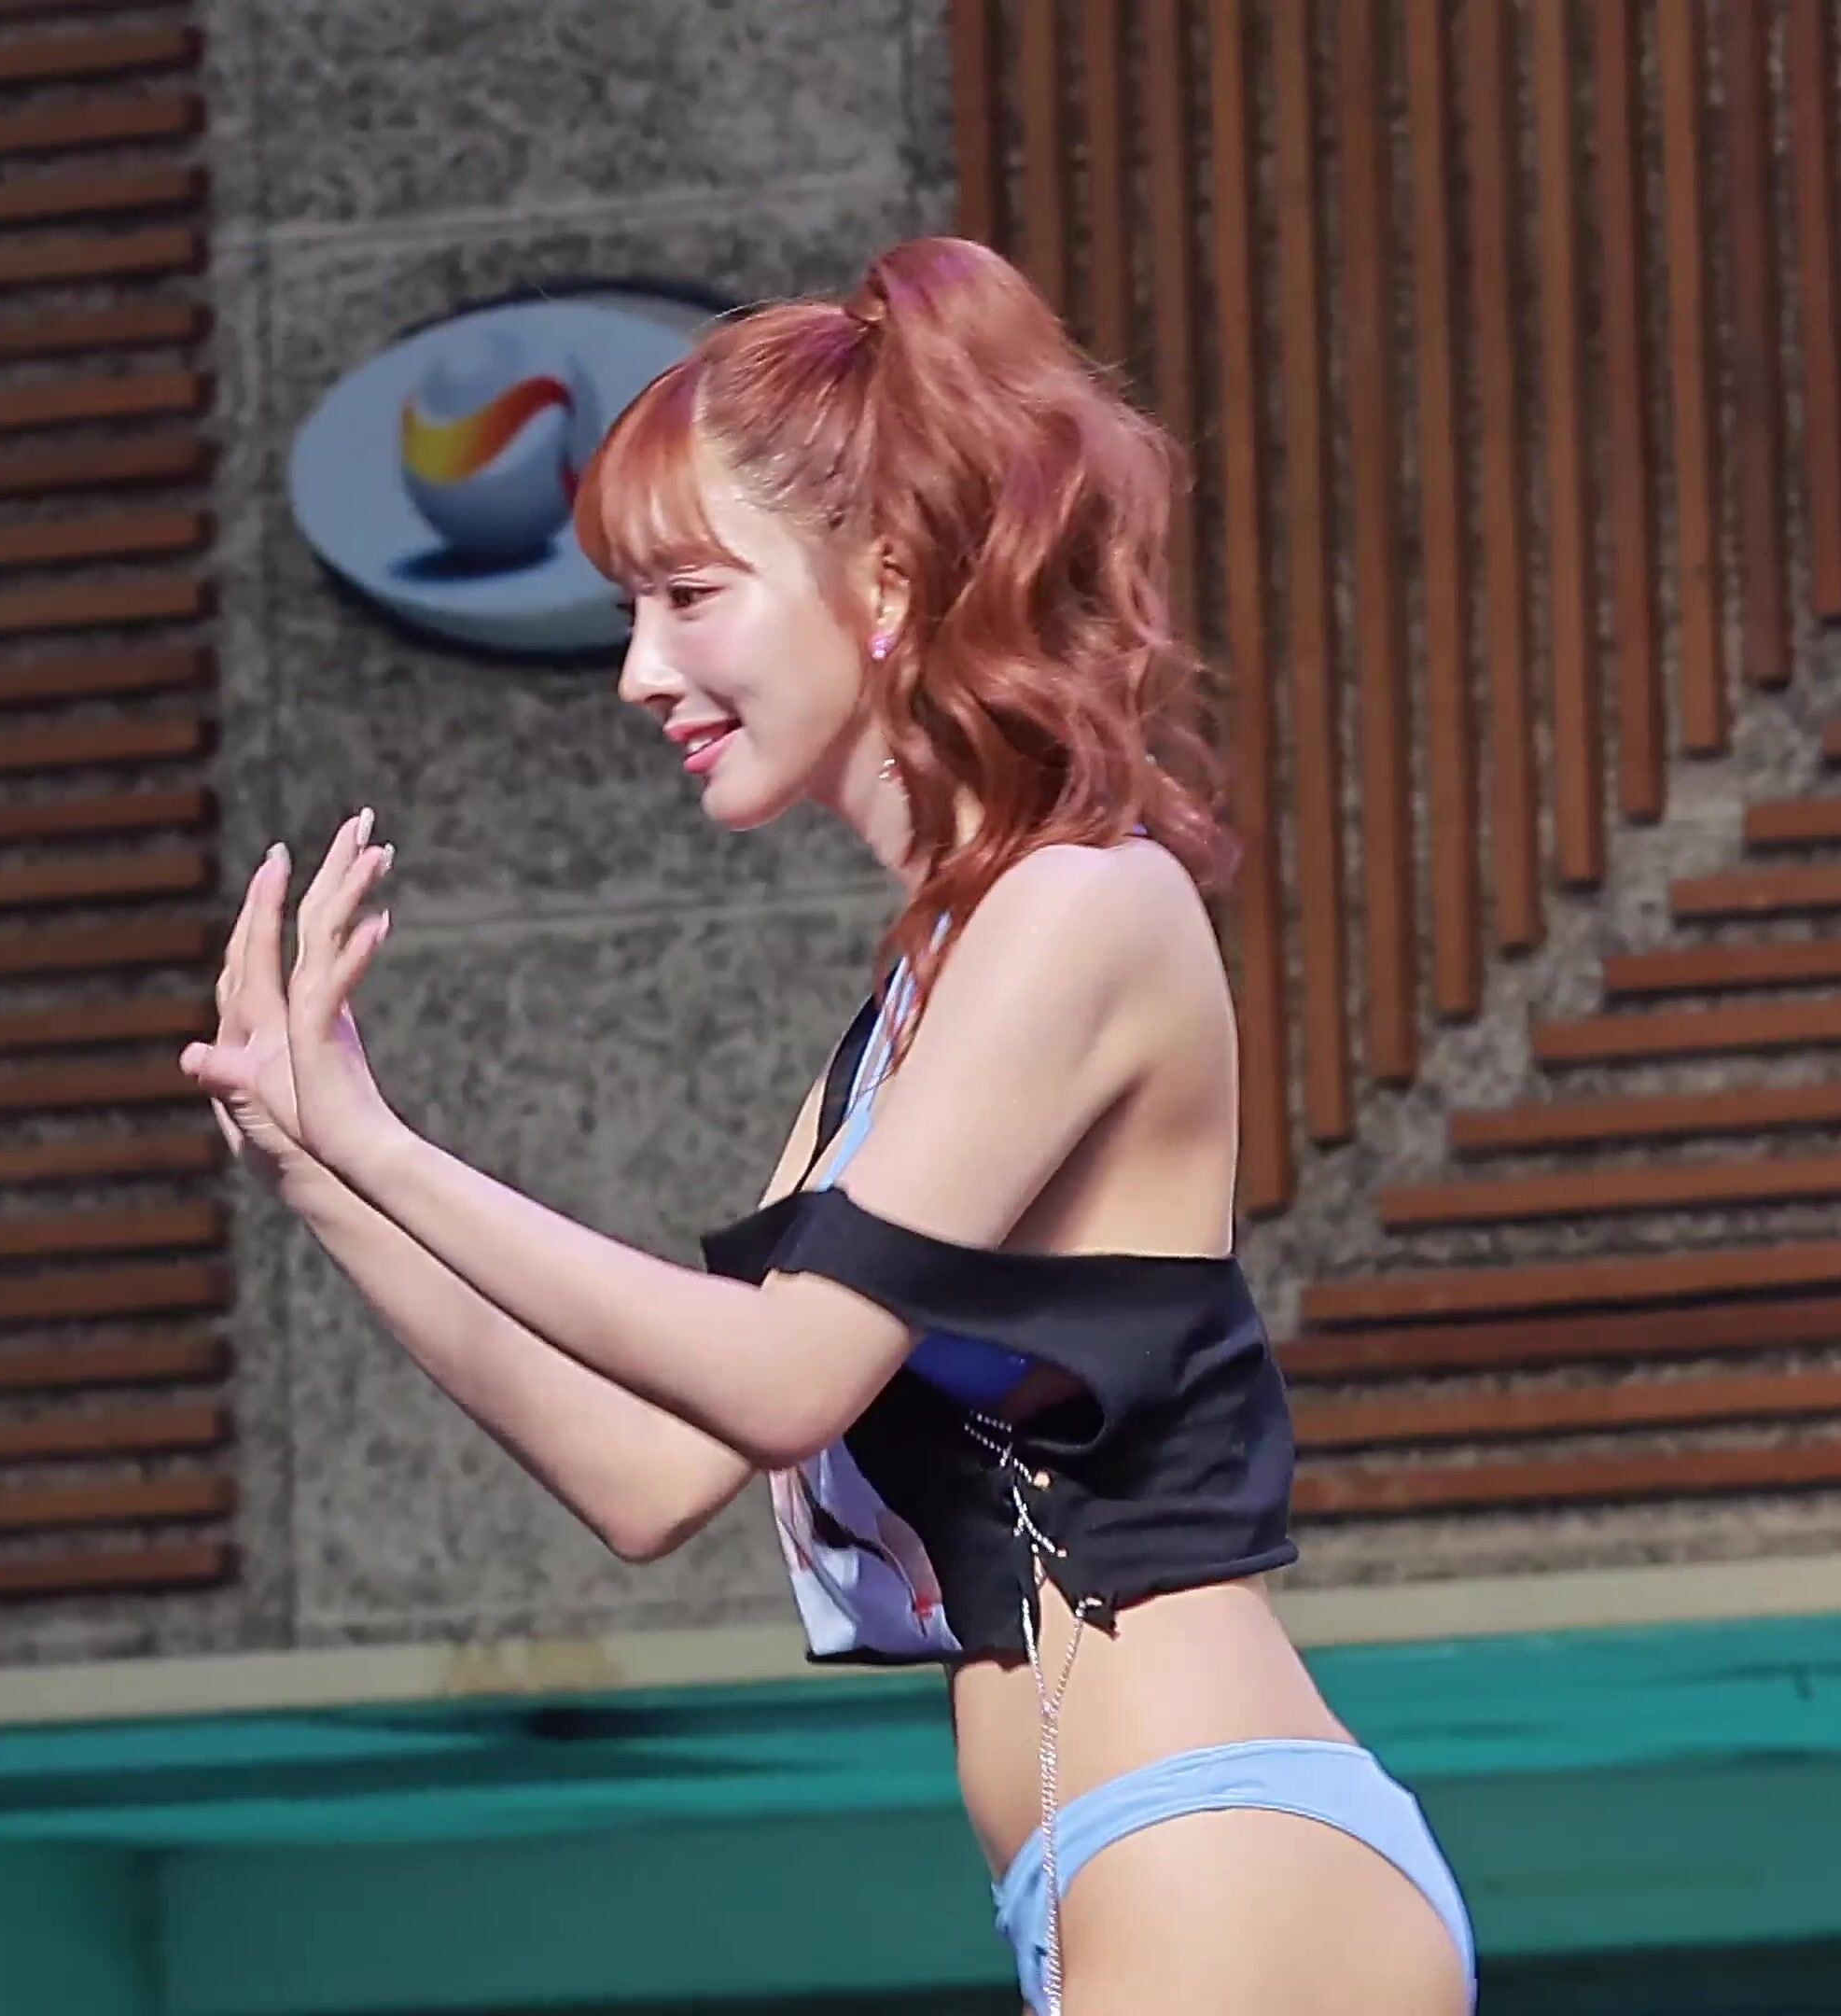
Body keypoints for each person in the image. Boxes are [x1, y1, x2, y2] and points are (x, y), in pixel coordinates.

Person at [182, 235, 1474, 2014]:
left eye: (689, 595)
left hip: (1217, 1852)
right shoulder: (920, 1005)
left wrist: (393, 1148)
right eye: (629, 613)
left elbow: (788, 1374)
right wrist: (325, 1165)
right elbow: (651, 1474)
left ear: (884, 581)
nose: (640, 672)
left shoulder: (1081, 906)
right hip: (1120, 1866)